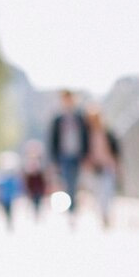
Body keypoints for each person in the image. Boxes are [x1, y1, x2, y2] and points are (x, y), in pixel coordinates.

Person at [49, 89, 88, 220]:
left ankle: (73, 207)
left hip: (77, 155)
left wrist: (86, 154)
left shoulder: (79, 118)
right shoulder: (58, 119)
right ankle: (71, 209)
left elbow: (86, 137)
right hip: (64, 155)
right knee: (67, 181)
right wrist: (54, 160)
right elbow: (53, 140)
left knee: (76, 182)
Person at [83, 104, 121, 229]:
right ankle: (102, 214)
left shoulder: (108, 132)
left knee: (108, 191)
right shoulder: (86, 136)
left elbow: (116, 150)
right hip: (94, 168)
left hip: (107, 166)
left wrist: (117, 165)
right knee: (98, 193)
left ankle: (106, 214)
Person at [21, 139, 48, 221]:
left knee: (38, 202)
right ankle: (34, 214)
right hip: (32, 188)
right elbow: (27, 179)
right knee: (33, 202)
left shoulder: (41, 165)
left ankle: (38, 214)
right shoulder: (28, 165)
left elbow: (43, 178)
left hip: (38, 187)